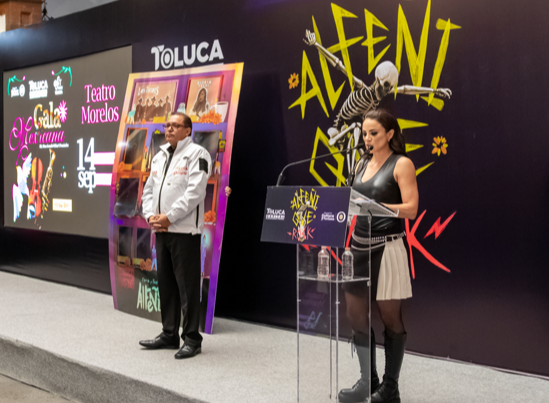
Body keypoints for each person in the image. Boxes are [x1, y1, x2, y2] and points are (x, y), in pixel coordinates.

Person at [338, 109, 418, 403]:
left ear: (390, 134)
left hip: (387, 247)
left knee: (390, 318)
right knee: (355, 316)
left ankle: (390, 388)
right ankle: (367, 381)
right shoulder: (361, 163)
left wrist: (379, 207)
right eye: (364, 133)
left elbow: (411, 208)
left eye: (373, 133)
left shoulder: (402, 164)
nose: (367, 138)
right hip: (358, 247)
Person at [139, 112, 211, 359]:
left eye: (175, 125)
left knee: (187, 288)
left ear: (187, 130)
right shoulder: (159, 156)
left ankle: (192, 339)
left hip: (184, 231)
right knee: (166, 285)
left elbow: (195, 193)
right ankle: (169, 333)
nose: (169, 129)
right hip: (161, 230)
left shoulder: (198, 154)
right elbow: (148, 190)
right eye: (167, 125)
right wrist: (150, 216)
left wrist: (169, 217)